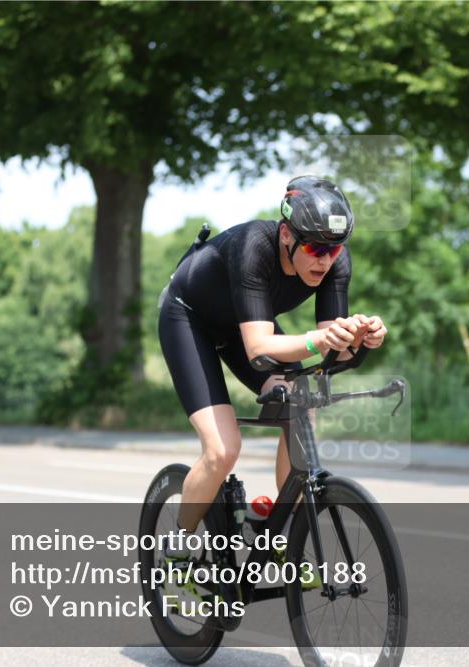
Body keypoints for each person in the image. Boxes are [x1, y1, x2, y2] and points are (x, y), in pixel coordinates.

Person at [158, 175, 387, 558]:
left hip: (246, 323)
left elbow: (334, 352)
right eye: (314, 247)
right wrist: (323, 341)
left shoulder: (334, 261)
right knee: (222, 450)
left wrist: (360, 338)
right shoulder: (252, 247)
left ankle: (280, 533)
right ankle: (178, 545)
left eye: (334, 249)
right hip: (190, 320)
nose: (324, 259)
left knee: (301, 409)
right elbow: (259, 348)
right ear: (286, 234)